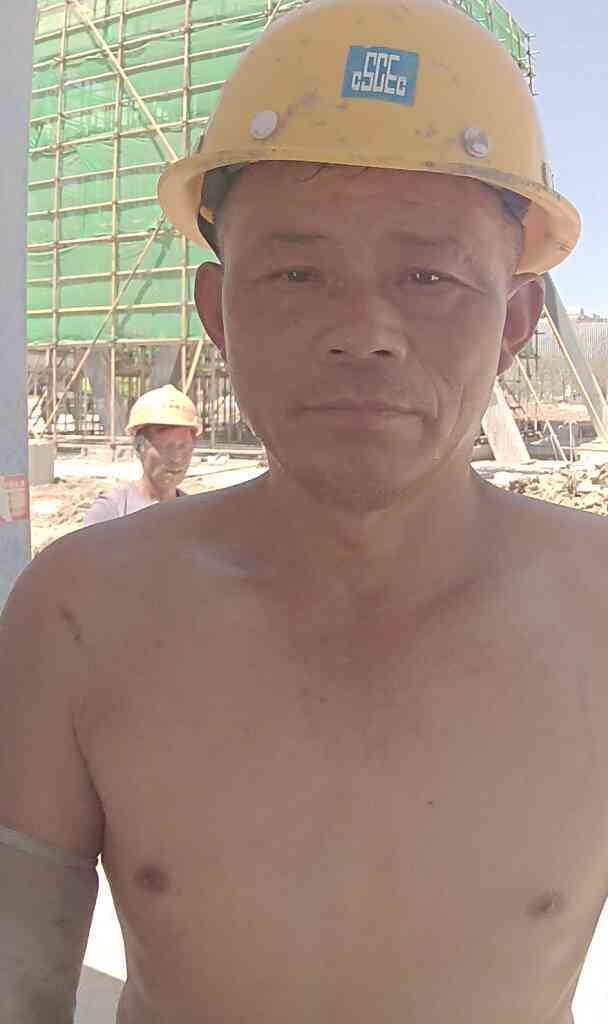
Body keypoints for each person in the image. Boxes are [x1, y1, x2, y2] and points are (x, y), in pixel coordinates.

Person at [1, 1, 606, 1022]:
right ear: (216, 312)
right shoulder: (81, 618)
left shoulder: (598, 615)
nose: (363, 331)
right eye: (295, 272)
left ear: (511, 322)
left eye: (428, 276)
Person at [84, 385, 201, 525]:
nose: (177, 458)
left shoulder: (194, 516)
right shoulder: (110, 512)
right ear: (139, 447)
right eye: (166, 447)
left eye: (184, 447)